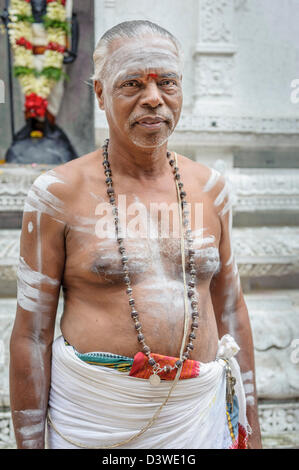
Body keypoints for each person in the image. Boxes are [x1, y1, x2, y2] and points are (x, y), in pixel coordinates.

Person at [9, 20, 262, 449]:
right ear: (100, 93)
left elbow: (232, 310)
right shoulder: (57, 194)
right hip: (97, 418)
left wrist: (250, 434)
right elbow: (32, 333)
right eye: (132, 84)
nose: (153, 99)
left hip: (196, 416)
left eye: (167, 83)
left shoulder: (211, 189)